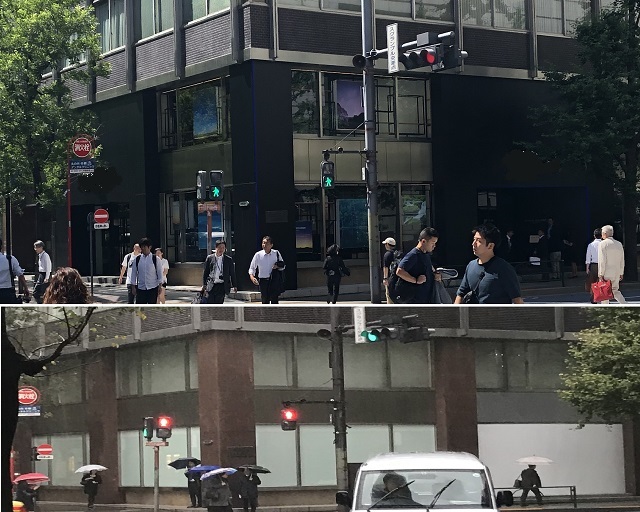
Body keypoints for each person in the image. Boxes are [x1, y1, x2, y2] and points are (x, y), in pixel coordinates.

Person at [454, 223, 524, 304]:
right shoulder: (471, 265)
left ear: (490, 246)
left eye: (479, 241)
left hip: (496, 316)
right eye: (474, 239)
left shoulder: (504, 268)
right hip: (473, 316)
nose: (474, 244)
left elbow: (517, 299)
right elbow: (461, 294)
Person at [394, 228, 439, 304]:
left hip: (426, 298)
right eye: (432, 243)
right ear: (424, 241)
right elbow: (399, 271)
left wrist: (436, 273)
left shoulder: (426, 254)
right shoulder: (413, 255)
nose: (434, 246)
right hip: (416, 300)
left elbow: (428, 267)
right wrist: (415, 280)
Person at [248, 236, 285, 304]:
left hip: (274, 280)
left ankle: (274, 314)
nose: (264, 245)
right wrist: (252, 277)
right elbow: (252, 268)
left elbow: (283, 266)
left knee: (274, 300)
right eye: (263, 243)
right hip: (263, 281)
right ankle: (265, 314)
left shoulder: (276, 253)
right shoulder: (258, 255)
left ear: (271, 245)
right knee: (265, 300)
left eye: (266, 243)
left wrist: (277, 266)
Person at [597, 224, 626, 304]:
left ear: (605, 234)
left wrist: (601, 273)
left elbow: (602, 260)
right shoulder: (619, 244)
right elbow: (622, 260)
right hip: (616, 272)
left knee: (604, 293)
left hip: (606, 272)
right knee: (615, 291)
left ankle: (605, 307)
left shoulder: (602, 244)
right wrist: (621, 272)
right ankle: (624, 304)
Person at [133, 238, 164, 304]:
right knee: (140, 308)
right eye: (142, 247)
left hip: (152, 287)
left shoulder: (155, 259)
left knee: (151, 308)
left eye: (145, 247)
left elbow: (159, 273)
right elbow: (133, 273)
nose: (143, 249)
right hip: (141, 288)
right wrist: (133, 286)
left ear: (149, 247)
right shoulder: (137, 259)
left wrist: (160, 286)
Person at [0, 238, 30, 304]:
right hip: (7, 291)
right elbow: (20, 275)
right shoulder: (10, 259)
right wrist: (26, 288)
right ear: (1, 247)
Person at [585, 228, 602, 303]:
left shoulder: (591, 245)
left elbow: (588, 257)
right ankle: (602, 297)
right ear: (601, 235)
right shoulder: (604, 244)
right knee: (602, 282)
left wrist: (587, 268)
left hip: (593, 265)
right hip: (602, 265)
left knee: (593, 282)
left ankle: (593, 296)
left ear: (594, 236)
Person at [381, 237, 397, 304]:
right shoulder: (397, 253)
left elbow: (386, 267)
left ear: (387, 244)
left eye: (385, 244)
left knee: (389, 295)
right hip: (397, 277)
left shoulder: (387, 254)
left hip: (390, 278)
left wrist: (385, 278)